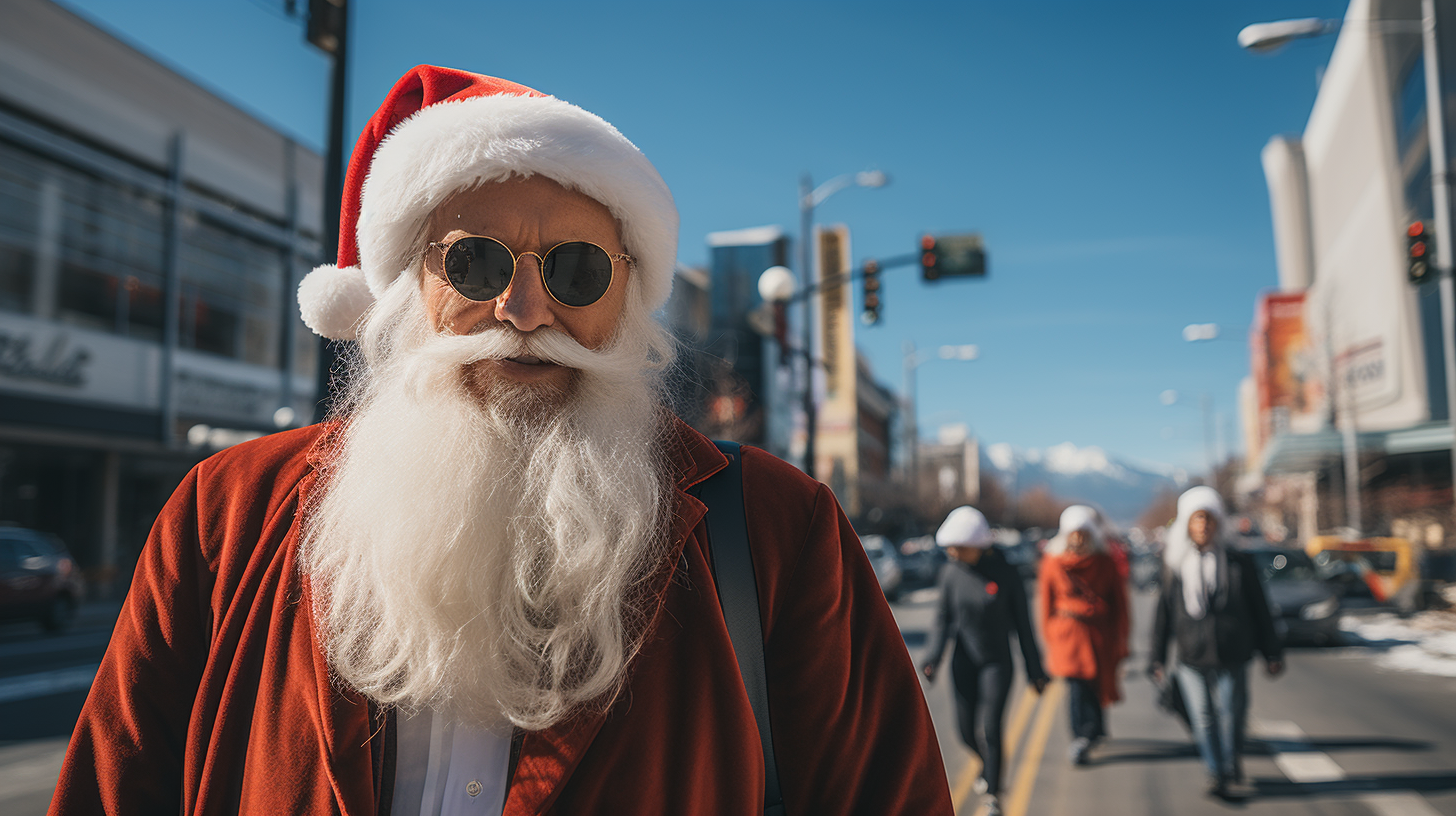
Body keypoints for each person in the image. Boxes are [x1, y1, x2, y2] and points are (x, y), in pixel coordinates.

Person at [49, 66, 953, 816]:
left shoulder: (777, 528)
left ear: (628, 300)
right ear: (407, 286)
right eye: (474, 264)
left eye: (575, 270)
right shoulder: (227, 508)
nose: (523, 313)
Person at [1148, 486, 1284, 800]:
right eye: (1198, 519)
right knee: (1203, 717)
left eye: (1209, 519)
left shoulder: (1238, 562)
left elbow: (1259, 608)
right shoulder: (1174, 564)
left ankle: (1230, 759)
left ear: (1218, 523)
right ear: (1188, 524)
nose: (1204, 526)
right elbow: (1163, 613)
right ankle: (1216, 771)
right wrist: (1156, 657)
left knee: (1233, 715)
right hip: (1191, 656)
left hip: (1233, 652)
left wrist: (1271, 651)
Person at [921, 506, 1048, 816]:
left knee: (991, 729)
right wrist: (932, 658)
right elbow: (942, 619)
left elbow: (1023, 625)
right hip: (963, 661)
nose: (951, 552)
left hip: (997, 663)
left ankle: (993, 792)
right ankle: (985, 764)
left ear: (978, 545)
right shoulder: (951, 573)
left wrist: (1035, 670)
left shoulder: (1006, 573)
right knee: (965, 732)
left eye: (958, 547)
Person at [1038, 505, 1129, 766]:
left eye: (1083, 534)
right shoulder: (1053, 561)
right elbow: (1046, 602)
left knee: (1096, 684)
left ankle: (1095, 727)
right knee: (1076, 688)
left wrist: (1122, 636)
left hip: (1099, 634)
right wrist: (1050, 637)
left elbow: (1120, 603)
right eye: (1073, 534)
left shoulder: (1104, 561)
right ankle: (1081, 736)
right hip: (1067, 636)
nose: (1078, 539)